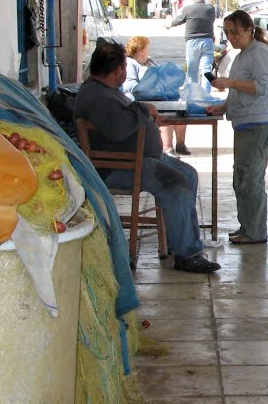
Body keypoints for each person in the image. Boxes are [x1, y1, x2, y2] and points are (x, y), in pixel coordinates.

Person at [74, 41, 219, 274]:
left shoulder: (104, 91)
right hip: (118, 167)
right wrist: (143, 110)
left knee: (188, 174)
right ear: (118, 70)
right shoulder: (95, 95)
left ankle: (179, 241)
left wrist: (142, 110)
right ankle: (188, 254)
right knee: (176, 184)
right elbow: (118, 129)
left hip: (138, 159)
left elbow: (123, 119)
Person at [207, 10, 268, 245]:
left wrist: (230, 82)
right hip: (244, 123)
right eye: (227, 33)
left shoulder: (261, 53)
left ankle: (256, 231)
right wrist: (224, 106)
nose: (231, 37)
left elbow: (263, 87)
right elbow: (239, 90)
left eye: (235, 32)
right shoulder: (241, 55)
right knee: (241, 179)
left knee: (252, 179)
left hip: (258, 124)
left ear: (249, 30)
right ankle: (247, 227)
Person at [122, 36, 189, 156]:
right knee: (165, 114)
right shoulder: (130, 64)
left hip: (157, 95)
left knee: (180, 110)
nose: (148, 52)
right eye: (147, 49)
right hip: (142, 98)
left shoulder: (149, 61)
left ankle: (180, 144)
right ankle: (167, 147)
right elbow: (131, 86)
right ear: (140, 50)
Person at [167, 0, 217, 93]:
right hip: (208, 41)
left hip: (192, 42)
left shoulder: (188, 9)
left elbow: (179, 20)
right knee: (206, 70)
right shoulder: (211, 9)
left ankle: (194, 95)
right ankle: (205, 96)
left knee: (192, 71)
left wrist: (170, 24)